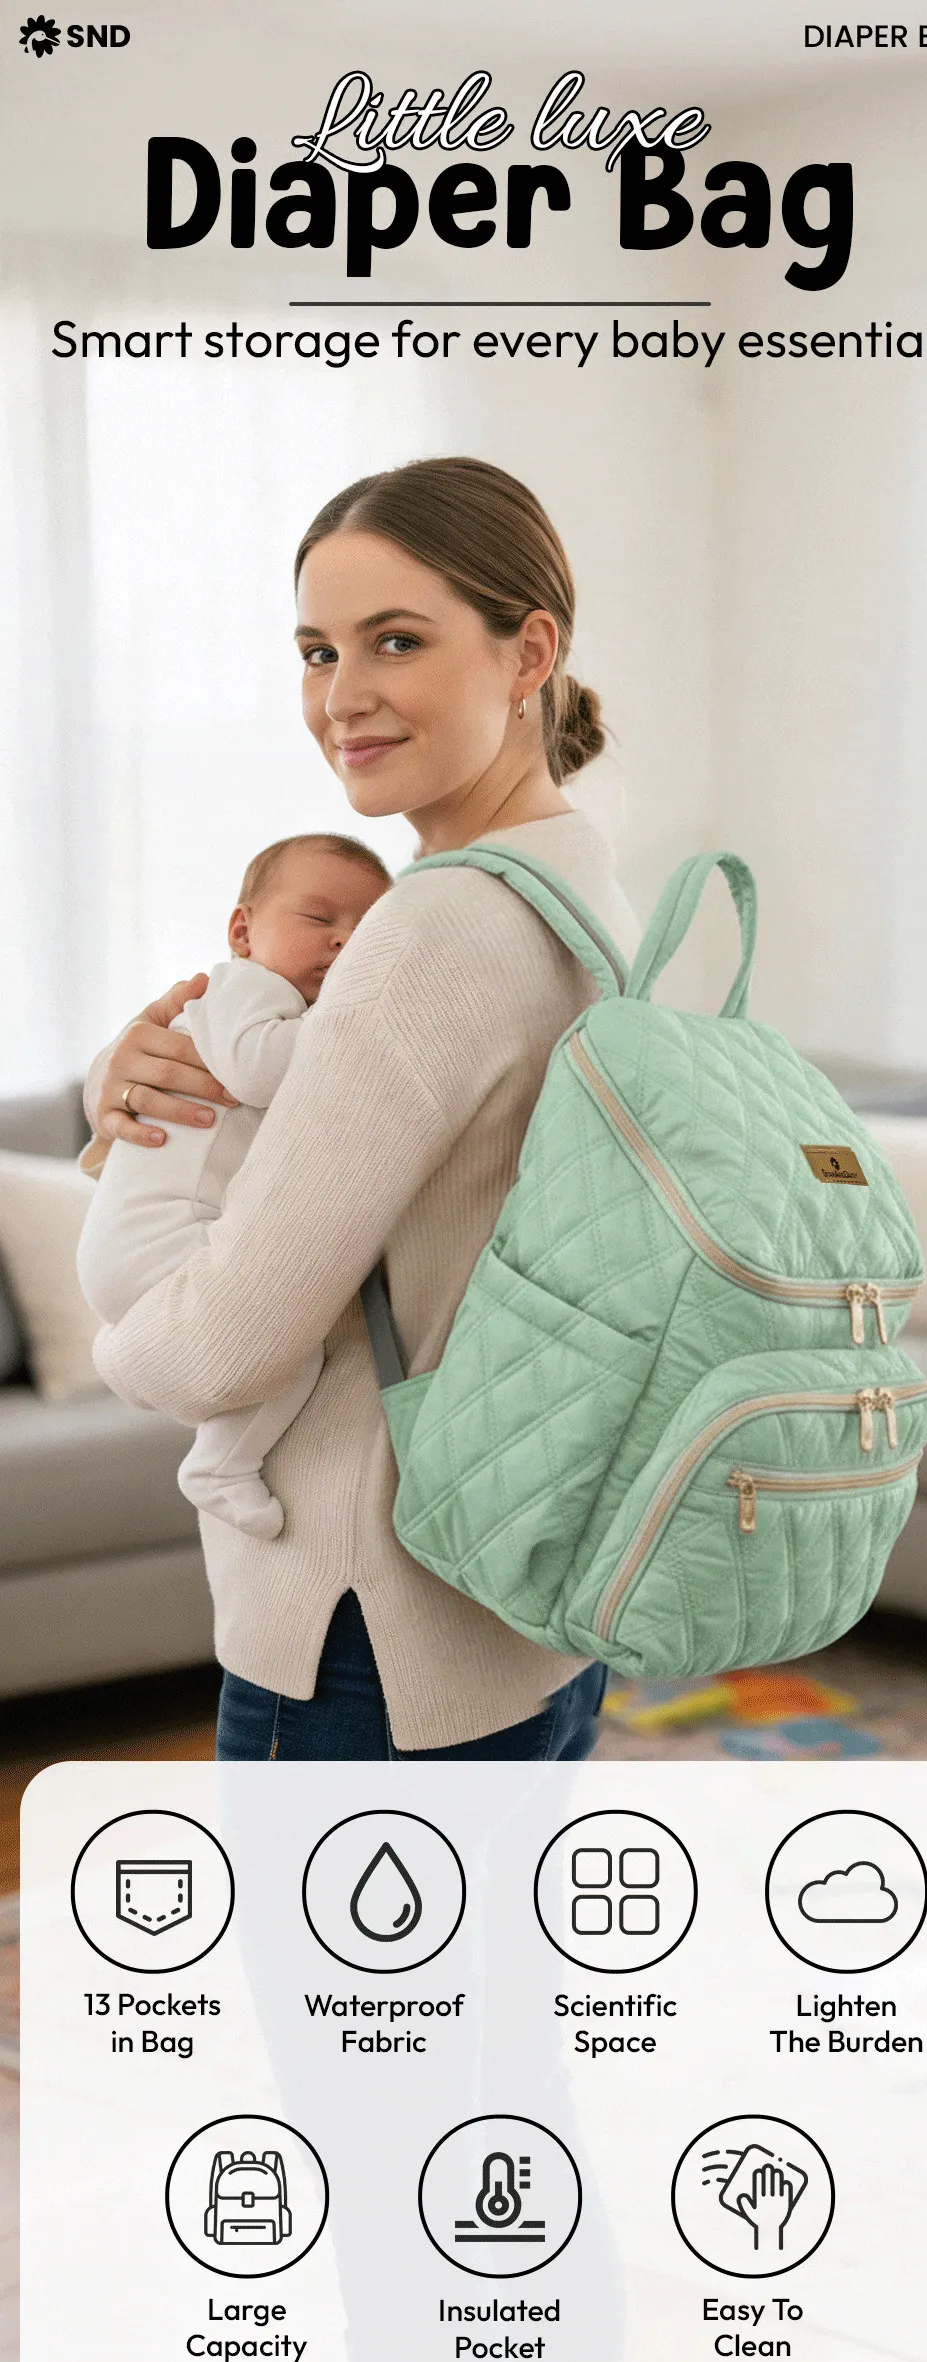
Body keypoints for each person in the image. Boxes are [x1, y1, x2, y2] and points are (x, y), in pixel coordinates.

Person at [78, 454, 636, 1766]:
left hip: (364, 1624)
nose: (341, 697)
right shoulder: (587, 896)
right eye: (317, 652)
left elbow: (220, 1349)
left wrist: (115, 1347)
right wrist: (129, 1095)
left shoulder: (431, 931)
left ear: (527, 652)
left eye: (397, 640)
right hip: (535, 1603)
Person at [77, 827, 389, 1542]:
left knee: (286, 1345)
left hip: (142, 1245)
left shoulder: (276, 1006)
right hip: (159, 1240)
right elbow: (259, 1069)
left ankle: (220, 1462)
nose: (344, 941)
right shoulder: (243, 988)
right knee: (279, 1334)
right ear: (243, 932)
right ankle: (220, 1466)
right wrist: (360, 1024)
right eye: (319, 918)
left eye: (366, 932)